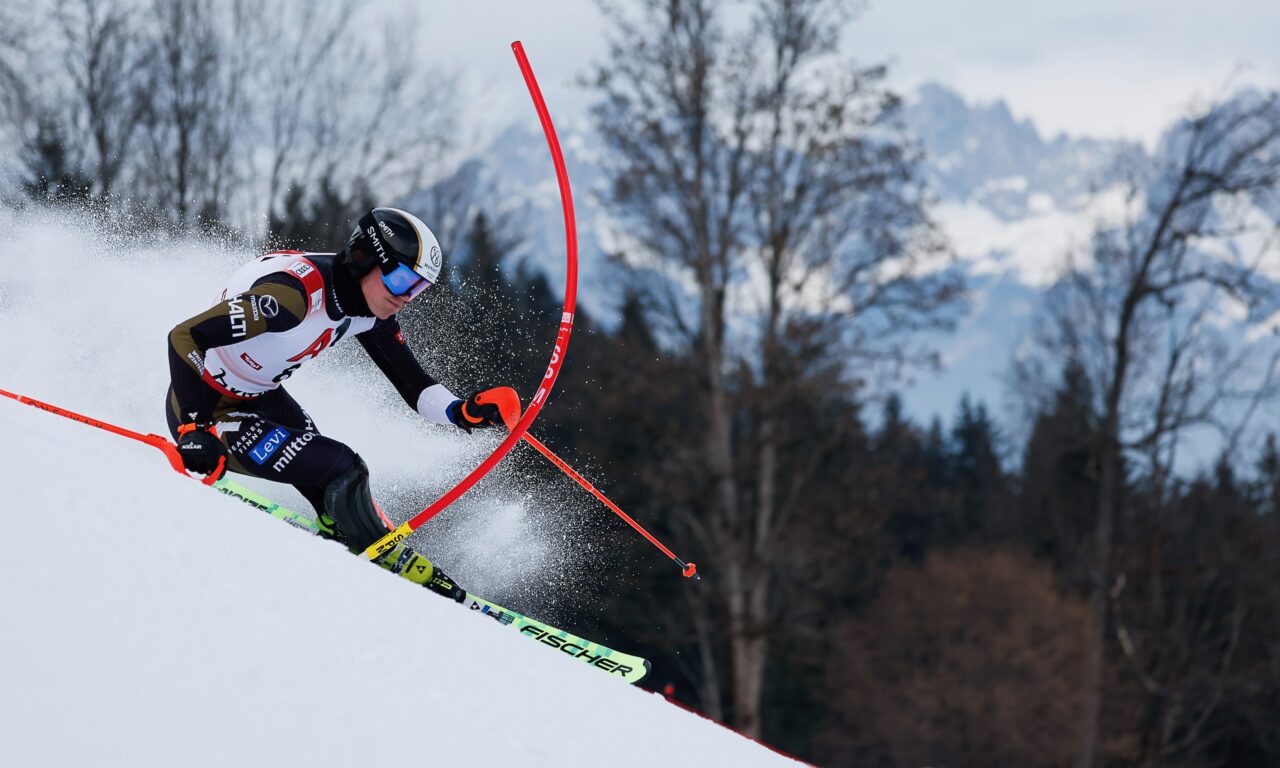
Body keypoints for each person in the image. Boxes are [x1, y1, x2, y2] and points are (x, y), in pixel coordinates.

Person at [165, 207, 505, 600]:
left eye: (418, 289)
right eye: (401, 280)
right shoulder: (291, 298)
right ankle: (383, 558)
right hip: (204, 408)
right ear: (365, 258)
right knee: (343, 469)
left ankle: (349, 534)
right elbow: (185, 336)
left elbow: (413, 385)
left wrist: (461, 412)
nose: (405, 298)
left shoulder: (367, 310)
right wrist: (194, 428)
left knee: (327, 480)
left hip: (258, 397)